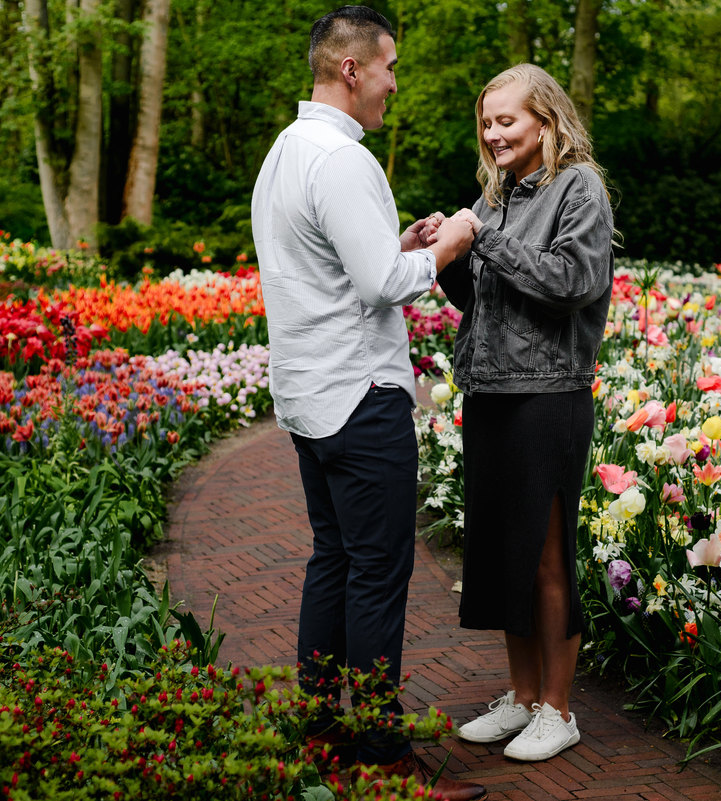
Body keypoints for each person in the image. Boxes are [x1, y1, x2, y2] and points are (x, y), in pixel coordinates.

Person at [250, 7, 483, 800]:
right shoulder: (345, 161)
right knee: (379, 573)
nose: (393, 84)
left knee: (334, 560)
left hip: (309, 396)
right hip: (362, 396)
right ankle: (382, 757)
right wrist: (452, 241)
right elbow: (383, 287)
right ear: (352, 69)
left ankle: (319, 728)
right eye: (389, 67)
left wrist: (403, 248)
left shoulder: (287, 151)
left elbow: (338, 267)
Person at [432, 63, 615, 762]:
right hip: (490, 392)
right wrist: (446, 253)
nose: (494, 132)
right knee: (503, 552)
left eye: (507, 119)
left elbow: (574, 280)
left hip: (549, 395)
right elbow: (482, 301)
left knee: (544, 555)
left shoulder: (580, 188)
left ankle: (558, 708)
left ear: (547, 119)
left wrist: (484, 238)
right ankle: (522, 696)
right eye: (487, 121)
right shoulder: (496, 194)